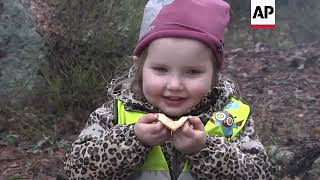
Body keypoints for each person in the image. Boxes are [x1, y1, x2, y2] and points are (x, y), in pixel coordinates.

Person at [64, 0, 274, 179]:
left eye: (192, 72)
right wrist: (132, 139)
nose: (174, 85)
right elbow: (77, 170)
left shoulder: (232, 119)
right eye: (161, 69)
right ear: (139, 66)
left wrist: (205, 150)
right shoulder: (114, 114)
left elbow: (260, 173)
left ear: (214, 73)